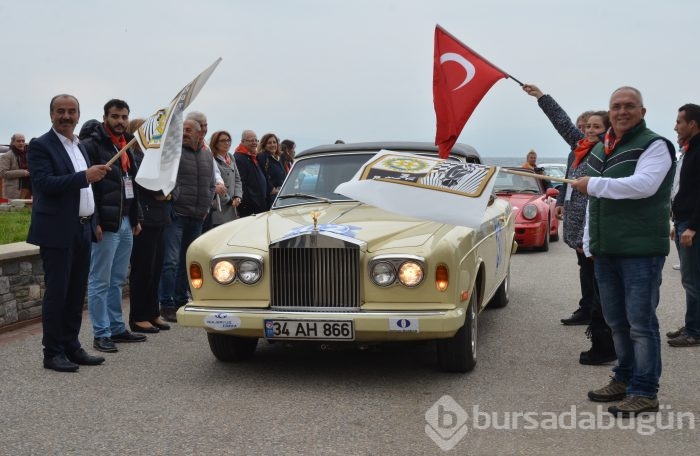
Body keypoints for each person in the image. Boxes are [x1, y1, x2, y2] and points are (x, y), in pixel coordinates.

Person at [572, 86, 675, 416]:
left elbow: (644, 185)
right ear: (609, 111)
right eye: (616, 106)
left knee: (641, 324)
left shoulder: (655, 145)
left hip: (641, 251)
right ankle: (624, 377)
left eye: (629, 106)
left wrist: (593, 184)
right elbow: (595, 204)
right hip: (606, 251)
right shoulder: (602, 147)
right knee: (617, 321)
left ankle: (645, 391)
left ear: (642, 112)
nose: (622, 111)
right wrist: (590, 241)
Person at [522, 83, 616, 365]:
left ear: (607, 130)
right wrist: (541, 98)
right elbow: (563, 124)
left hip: (596, 228)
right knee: (589, 276)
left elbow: (563, 124)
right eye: (586, 126)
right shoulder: (581, 148)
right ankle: (590, 316)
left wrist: (542, 97)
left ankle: (604, 340)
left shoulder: (608, 150)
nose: (588, 130)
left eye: (595, 126)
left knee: (600, 282)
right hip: (578, 227)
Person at [27, 94, 110, 372]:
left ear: (78, 114)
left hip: (83, 228)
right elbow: (43, 183)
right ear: (51, 114)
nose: (66, 116)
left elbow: (89, 191)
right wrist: (84, 176)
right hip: (56, 231)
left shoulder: (79, 146)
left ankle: (71, 345)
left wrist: (95, 220)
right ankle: (52, 352)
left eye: (71, 111)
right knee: (58, 293)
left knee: (76, 292)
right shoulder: (41, 145)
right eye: (60, 111)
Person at [81, 100, 146, 353]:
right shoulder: (92, 145)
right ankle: (101, 332)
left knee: (118, 279)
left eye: (124, 117)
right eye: (115, 116)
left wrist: (136, 219)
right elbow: (88, 188)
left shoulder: (127, 145)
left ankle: (117, 327)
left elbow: (131, 185)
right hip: (105, 223)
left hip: (126, 220)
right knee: (100, 280)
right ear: (105, 117)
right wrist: (94, 221)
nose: (120, 121)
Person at [158, 119, 215, 322]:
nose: (184, 133)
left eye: (188, 130)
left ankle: (181, 300)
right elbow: (165, 179)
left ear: (199, 133)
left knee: (187, 260)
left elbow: (210, 184)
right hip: (177, 214)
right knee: (171, 261)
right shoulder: (175, 153)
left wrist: (207, 205)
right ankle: (166, 303)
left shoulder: (207, 155)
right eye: (182, 129)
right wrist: (173, 199)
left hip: (197, 215)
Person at [127, 118, 172, 333]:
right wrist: (160, 192)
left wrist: (169, 192)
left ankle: (153, 312)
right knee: (142, 269)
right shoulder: (134, 156)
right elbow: (143, 183)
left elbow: (173, 179)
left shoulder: (157, 155)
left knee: (156, 268)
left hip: (161, 217)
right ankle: (138, 316)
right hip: (145, 217)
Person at [667, 103, 700, 347]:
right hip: (683, 222)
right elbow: (681, 188)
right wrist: (676, 221)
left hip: (691, 224)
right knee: (691, 279)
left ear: (692, 124)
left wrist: (692, 226)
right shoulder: (688, 150)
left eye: (679, 122)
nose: (675, 127)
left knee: (693, 279)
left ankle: (695, 330)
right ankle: (693, 323)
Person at [185, 111, 226, 232]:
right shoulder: (181, 147)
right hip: (186, 208)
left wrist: (219, 182)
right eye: (200, 125)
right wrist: (214, 186)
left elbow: (215, 171)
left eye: (205, 125)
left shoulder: (205, 147)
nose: (203, 129)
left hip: (203, 207)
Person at [210, 130, 243, 227]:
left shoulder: (231, 157)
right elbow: (215, 183)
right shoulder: (212, 158)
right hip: (219, 206)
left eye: (228, 140)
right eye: (223, 140)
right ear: (215, 143)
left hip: (233, 206)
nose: (227, 143)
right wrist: (229, 201)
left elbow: (237, 179)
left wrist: (238, 196)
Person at [234, 129, 270, 217]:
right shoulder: (239, 158)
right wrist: (251, 204)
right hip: (251, 207)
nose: (254, 143)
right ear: (243, 142)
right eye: (251, 140)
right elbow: (242, 183)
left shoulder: (253, 156)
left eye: (256, 140)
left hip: (260, 204)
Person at [257, 133, 286, 208]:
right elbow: (262, 174)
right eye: (269, 143)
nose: (273, 145)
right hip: (271, 197)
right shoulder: (263, 156)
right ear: (264, 145)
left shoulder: (278, 158)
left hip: (280, 194)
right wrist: (271, 188)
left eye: (274, 142)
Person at [0, 133, 31, 199]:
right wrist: (22, 172)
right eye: (18, 141)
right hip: (14, 191)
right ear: (13, 142)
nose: (21, 143)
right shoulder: (6, 156)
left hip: (31, 189)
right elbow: (3, 173)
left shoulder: (29, 154)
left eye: (23, 141)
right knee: (16, 209)